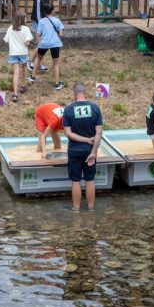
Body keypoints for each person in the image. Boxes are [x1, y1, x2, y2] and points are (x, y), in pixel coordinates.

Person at [61, 82, 103, 212]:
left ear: (74, 94)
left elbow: (68, 133)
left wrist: (85, 140)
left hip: (74, 150)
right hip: (90, 150)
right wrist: (94, 152)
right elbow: (99, 132)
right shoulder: (95, 108)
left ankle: (76, 209)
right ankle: (91, 209)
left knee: (76, 181)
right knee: (90, 180)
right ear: (86, 93)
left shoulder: (68, 109)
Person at [29, 1, 65, 91]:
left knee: (38, 58)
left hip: (44, 43)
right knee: (56, 63)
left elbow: (37, 34)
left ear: (44, 11)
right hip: (55, 43)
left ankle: (32, 76)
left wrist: (39, 42)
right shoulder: (57, 20)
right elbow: (61, 35)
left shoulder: (41, 21)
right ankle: (57, 84)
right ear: (52, 10)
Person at [4, 11, 33, 102]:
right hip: (23, 52)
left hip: (13, 53)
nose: (26, 19)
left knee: (16, 73)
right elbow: (27, 43)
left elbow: (6, 40)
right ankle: (23, 85)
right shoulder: (26, 29)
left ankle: (15, 94)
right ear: (22, 19)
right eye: (25, 17)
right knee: (24, 68)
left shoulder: (10, 28)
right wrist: (26, 42)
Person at [26, 0, 51, 74]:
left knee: (44, 45)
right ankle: (30, 61)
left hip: (44, 23)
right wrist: (41, 25)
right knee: (41, 44)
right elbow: (37, 13)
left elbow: (47, 12)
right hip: (38, 24)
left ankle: (40, 64)